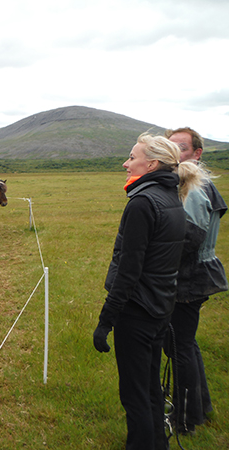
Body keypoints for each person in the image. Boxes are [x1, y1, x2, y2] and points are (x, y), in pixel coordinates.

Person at [93, 132, 205, 450]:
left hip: (137, 313)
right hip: (160, 310)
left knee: (135, 395)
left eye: (132, 157)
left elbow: (128, 273)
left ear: (151, 163)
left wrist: (106, 322)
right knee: (151, 387)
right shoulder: (171, 196)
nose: (126, 163)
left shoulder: (142, 202)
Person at [164, 127, 227, 434]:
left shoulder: (193, 188)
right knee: (187, 344)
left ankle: (185, 419)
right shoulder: (200, 184)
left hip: (188, 277)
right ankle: (201, 406)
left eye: (182, 148)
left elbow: (188, 240)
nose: (175, 153)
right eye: (170, 147)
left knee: (180, 347)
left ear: (197, 153)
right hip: (197, 272)